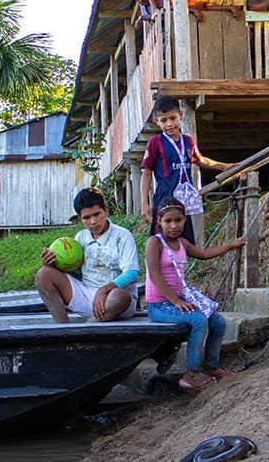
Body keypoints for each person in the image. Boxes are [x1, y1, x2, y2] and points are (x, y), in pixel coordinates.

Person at [145, 198, 245, 391]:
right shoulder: (154, 243)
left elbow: (205, 254)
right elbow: (155, 275)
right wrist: (175, 301)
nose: (173, 225)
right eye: (168, 221)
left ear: (184, 220)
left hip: (177, 302)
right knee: (198, 321)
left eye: (178, 220)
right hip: (158, 306)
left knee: (218, 322)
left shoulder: (182, 243)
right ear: (159, 221)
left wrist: (231, 245)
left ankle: (211, 366)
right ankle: (191, 374)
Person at [34, 188, 139, 324]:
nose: (93, 222)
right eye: (86, 218)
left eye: (97, 214)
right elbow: (76, 273)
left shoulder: (123, 236)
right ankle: (62, 327)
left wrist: (104, 290)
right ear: (80, 218)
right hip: (87, 295)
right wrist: (53, 265)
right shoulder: (81, 238)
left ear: (105, 211)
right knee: (43, 275)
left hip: (113, 301)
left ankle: (91, 324)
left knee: (121, 296)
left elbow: (132, 273)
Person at [140, 95, 235, 244]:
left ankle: (181, 266)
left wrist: (224, 166)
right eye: (164, 120)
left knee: (183, 240)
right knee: (161, 240)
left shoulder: (188, 141)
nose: (169, 124)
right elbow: (146, 173)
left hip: (184, 200)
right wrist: (144, 204)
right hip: (164, 197)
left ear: (181, 115)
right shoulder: (155, 143)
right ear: (156, 121)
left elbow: (200, 160)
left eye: (173, 118)